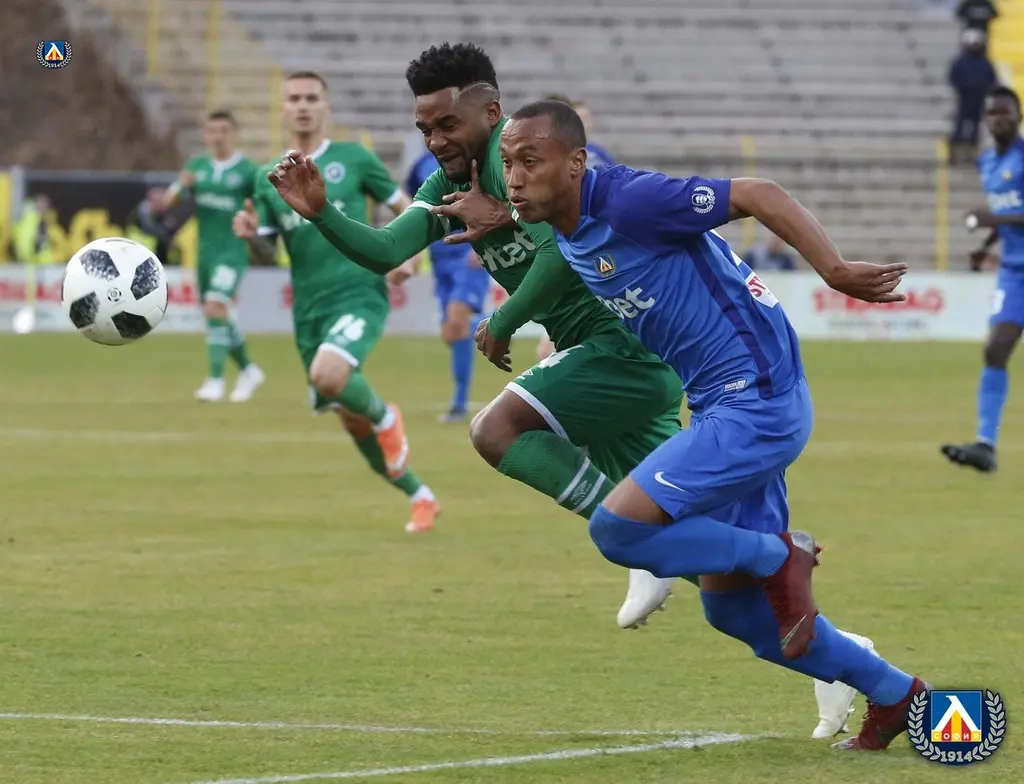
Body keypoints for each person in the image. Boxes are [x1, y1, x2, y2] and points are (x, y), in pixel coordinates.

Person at [266, 43, 879, 740]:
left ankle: (663, 554)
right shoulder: (448, 184)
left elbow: (572, 242)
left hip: (622, 350)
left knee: (497, 431)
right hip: (601, 365)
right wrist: (322, 213)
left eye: (447, 124)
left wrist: (507, 313)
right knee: (721, 579)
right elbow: (385, 251)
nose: (435, 141)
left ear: (490, 114)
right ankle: (842, 657)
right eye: (425, 129)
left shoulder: (529, 160)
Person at [473, 98, 927, 750]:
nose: (515, 178)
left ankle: (782, 555)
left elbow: (757, 192)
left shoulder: (631, 201)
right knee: (734, 610)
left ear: (575, 164)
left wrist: (834, 271)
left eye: (530, 162)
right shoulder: (567, 227)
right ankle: (898, 695)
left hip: (756, 398)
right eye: (509, 163)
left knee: (618, 528)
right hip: (724, 405)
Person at [232, 70, 439, 533]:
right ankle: (420, 495)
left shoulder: (354, 158)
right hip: (309, 311)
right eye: (294, 98)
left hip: (359, 292)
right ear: (282, 108)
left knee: (330, 375)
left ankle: (387, 417)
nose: (303, 105)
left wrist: (410, 257)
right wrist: (250, 238)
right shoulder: (268, 179)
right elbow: (267, 253)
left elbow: (411, 208)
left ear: (326, 107)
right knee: (350, 420)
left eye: (311, 97)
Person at [156, 110, 265, 403]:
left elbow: (264, 205)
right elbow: (169, 201)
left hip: (232, 252)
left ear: (235, 134)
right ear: (205, 135)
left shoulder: (248, 171)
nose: (218, 137)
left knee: (216, 307)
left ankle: (215, 381)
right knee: (215, 314)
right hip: (204, 254)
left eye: (224, 130)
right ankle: (249, 370)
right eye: (212, 131)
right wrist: (177, 189)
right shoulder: (197, 167)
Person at [942, 85, 1024, 473]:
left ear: (1019, 116)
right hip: (1014, 272)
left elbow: (1005, 213)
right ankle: (985, 445)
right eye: (991, 113)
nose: (997, 119)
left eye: (1004, 112)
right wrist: (987, 244)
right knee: (996, 349)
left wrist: (993, 219)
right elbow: (1010, 212)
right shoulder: (988, 162)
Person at [404, 144, 491, 422]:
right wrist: (413, 248)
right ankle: (493, 324)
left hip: (468, 251)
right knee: (451, 333)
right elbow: (411, 206)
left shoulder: (473, 159)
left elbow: (496, 199)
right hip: (439, 255)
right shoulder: (420, 167)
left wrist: (486, 242)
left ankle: (459, 404)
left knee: (457, 322)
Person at [535, 94, 618, 360]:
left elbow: (614, 192)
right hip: (566, 242)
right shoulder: (547, 157)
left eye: (586, 119)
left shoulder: (598, 155)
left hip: (593, 243)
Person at [948, 29, 999, 165]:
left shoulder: (984, 62)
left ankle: (971, 154)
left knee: (975, 126)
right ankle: (955, 153)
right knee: (960, 124)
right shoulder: (960, 62)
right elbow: (953, 78)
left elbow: (992, 80)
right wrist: (963, 89)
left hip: (978, 98)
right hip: (965, 98)